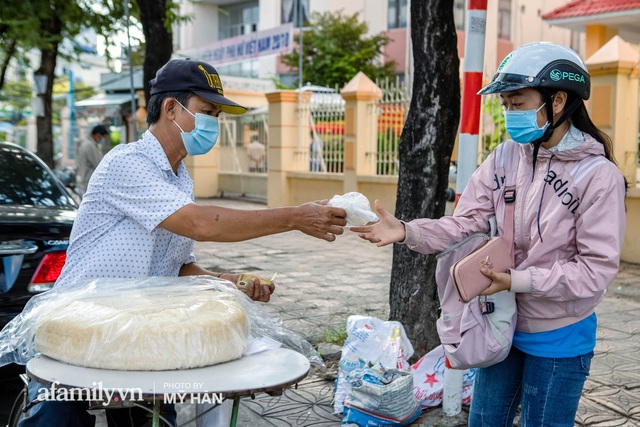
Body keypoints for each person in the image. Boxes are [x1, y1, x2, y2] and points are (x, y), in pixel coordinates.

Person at [18, 58, 347, 427]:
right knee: (59, 418)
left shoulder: (180, 179)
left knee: (153, 419)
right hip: (79, 328)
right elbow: (200, 224)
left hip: (137, 334)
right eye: (207, 112)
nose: (213, 124)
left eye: (217, 116)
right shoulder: (128, 162)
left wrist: (227, 281)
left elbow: (176, 267)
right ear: (171, 108)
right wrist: (293, 217)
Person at [351, 42, 627, 427]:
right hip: (499, 324)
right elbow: (464, 224)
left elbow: (595, 270)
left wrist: (519, 280)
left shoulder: (599, 178)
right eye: (506, 105)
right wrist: (406, 231)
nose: (510, 113)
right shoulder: (505, 157)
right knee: (483, 420)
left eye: (518, 103)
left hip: (559, 335)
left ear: (559, 100)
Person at [75, 124, 108, 196]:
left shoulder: (90, 144)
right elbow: (98, 163)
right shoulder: (89, 145)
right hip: (87, 178)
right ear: (97, 134)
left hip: (86, 178)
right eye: (102, 136)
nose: (102, 139)